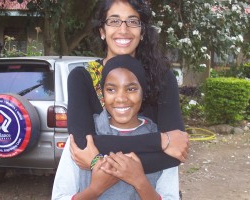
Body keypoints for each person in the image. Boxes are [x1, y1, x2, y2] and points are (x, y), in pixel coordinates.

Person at [68, 0, 188, 175]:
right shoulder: (82, 78)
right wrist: (160, 141)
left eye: (132, 21)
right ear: (102, 31)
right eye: (114, 21)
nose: (123, 30)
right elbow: (82, 145)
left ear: (142, 32)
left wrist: (98, 161)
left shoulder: (162, 78)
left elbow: (176, 152)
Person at [52, 54, 180, 199]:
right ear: (102, 94)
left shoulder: (165, 142)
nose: (121, 98)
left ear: (143, 93)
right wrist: (95, 189)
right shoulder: (83, 141)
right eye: (111, 90)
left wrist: (140, 182)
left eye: (131, 89)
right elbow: (59, 196)